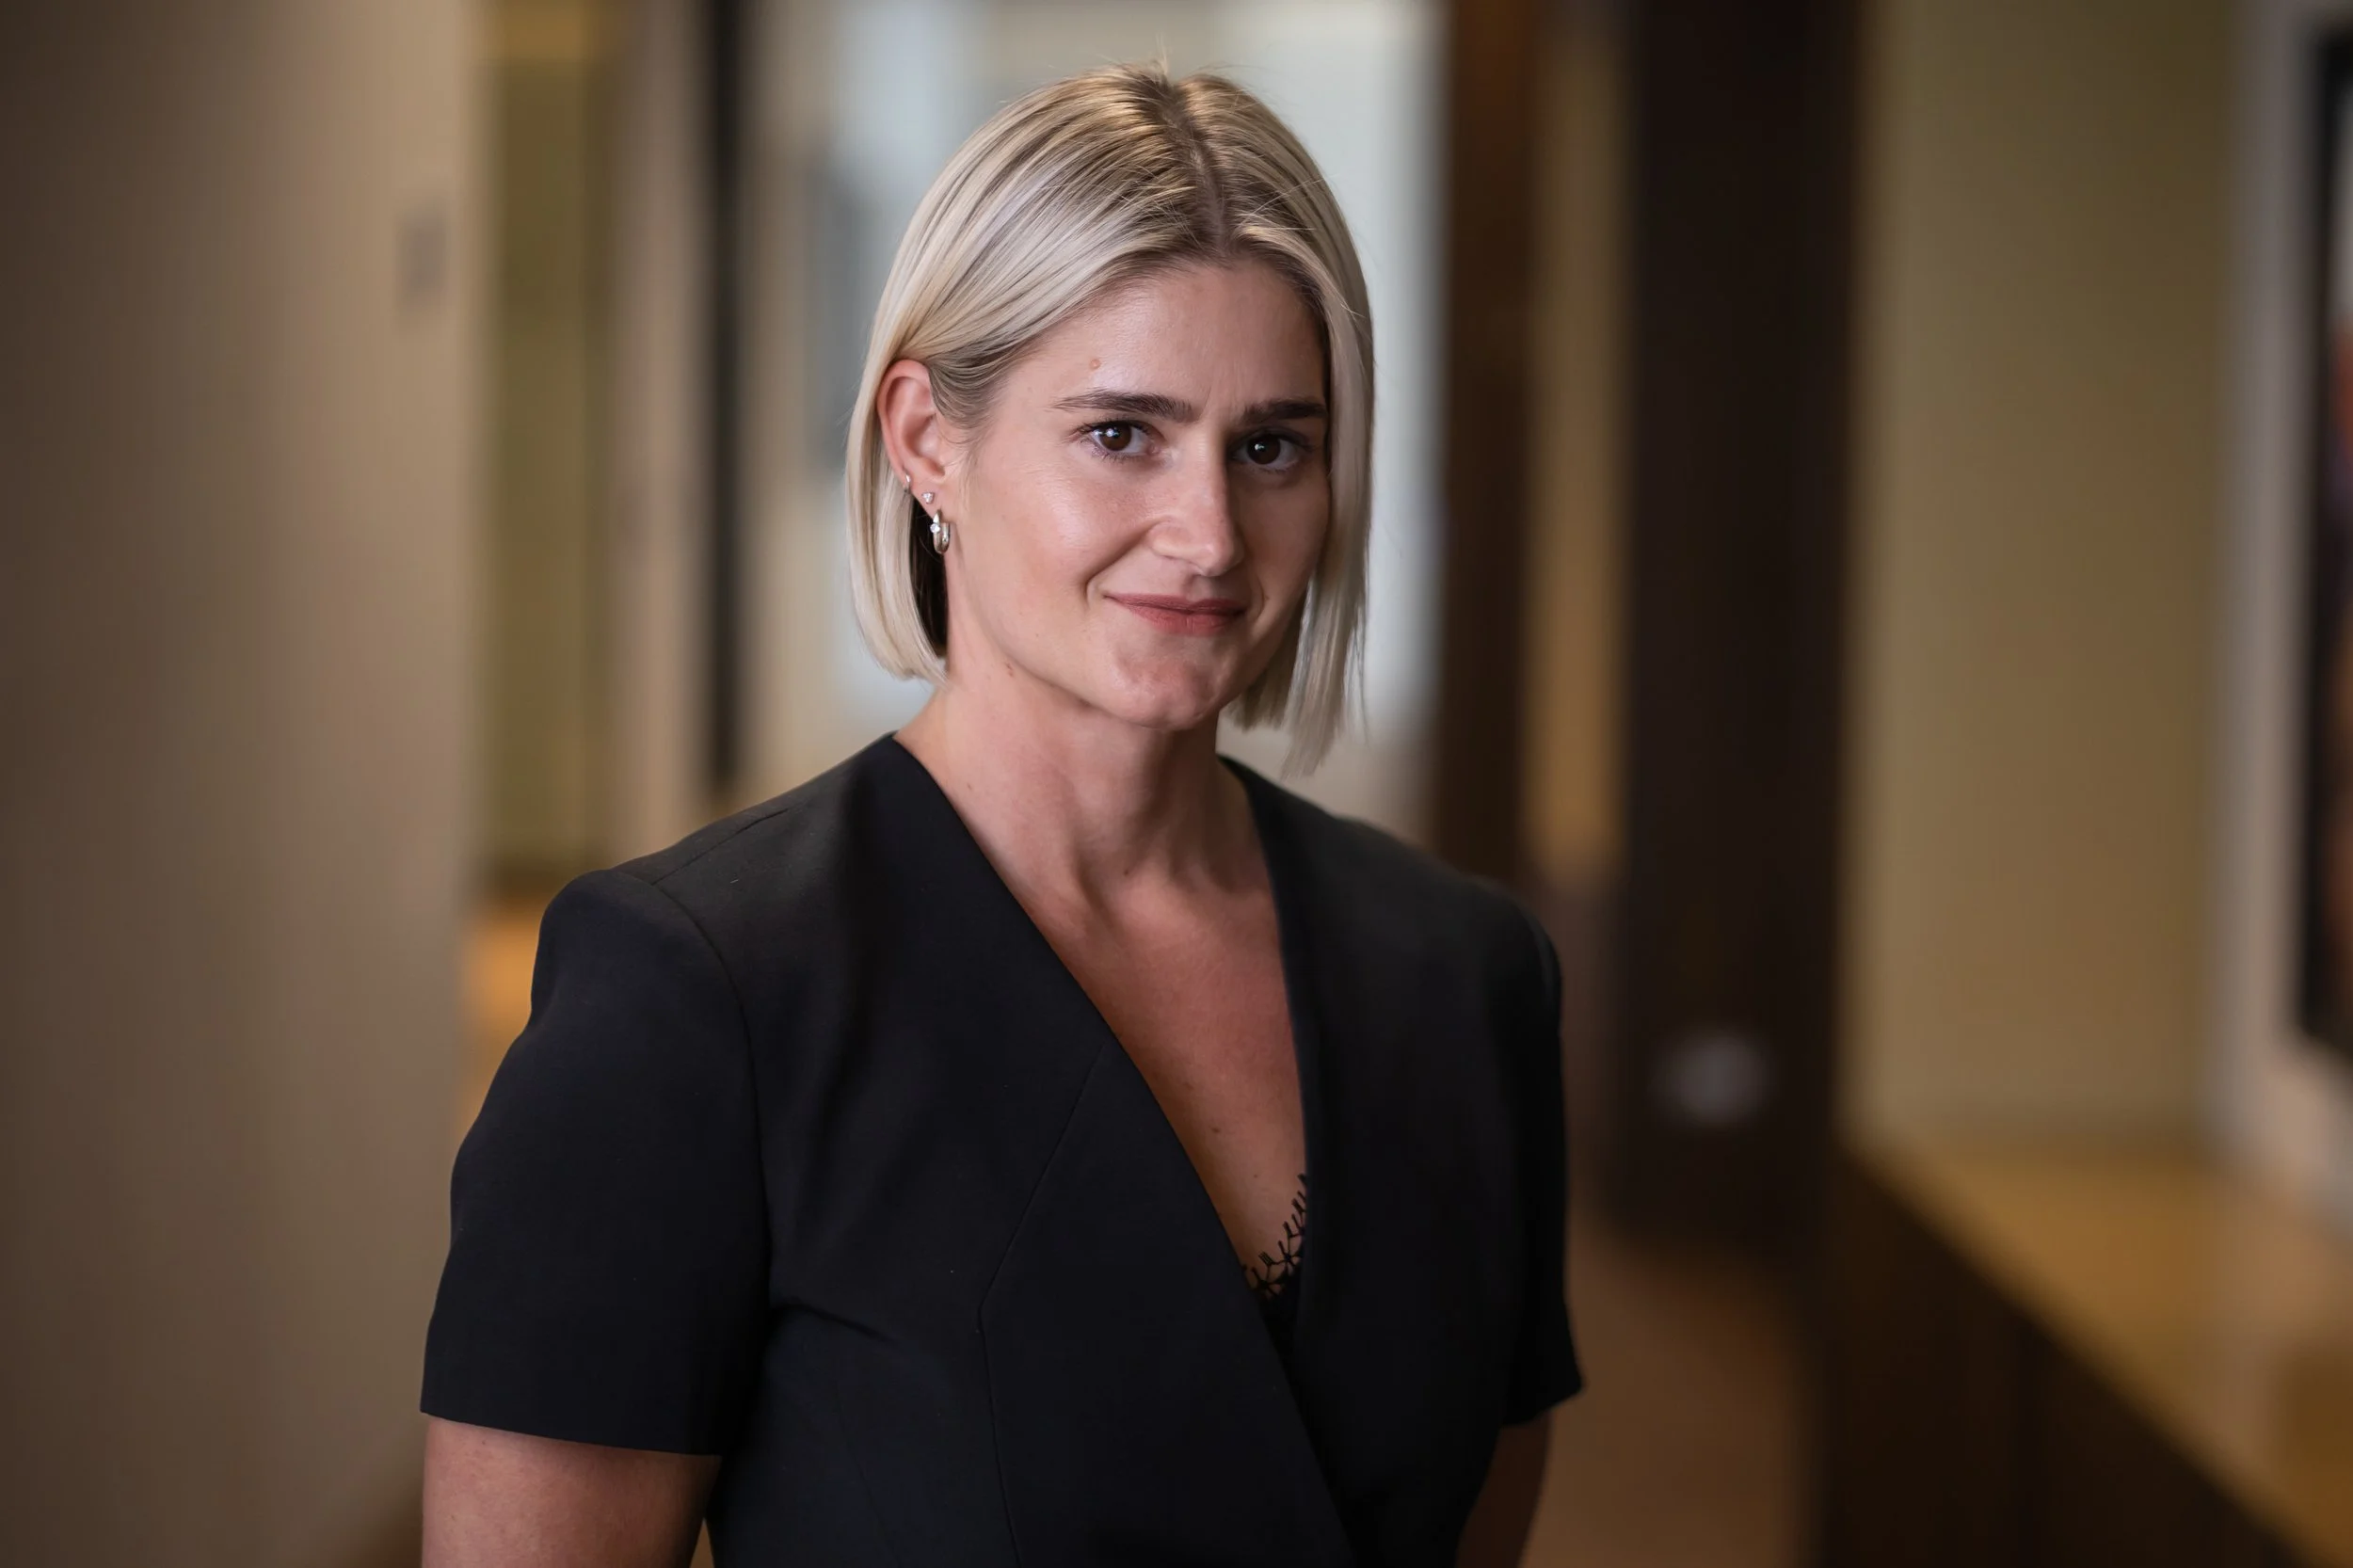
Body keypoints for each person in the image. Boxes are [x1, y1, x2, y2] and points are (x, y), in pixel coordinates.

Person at [420, 61, 1580, 1568]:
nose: (1210, 534)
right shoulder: (693, 999)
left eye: (1270, 446)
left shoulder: (1468, 978)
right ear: (926, 440)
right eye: (1123, 433)